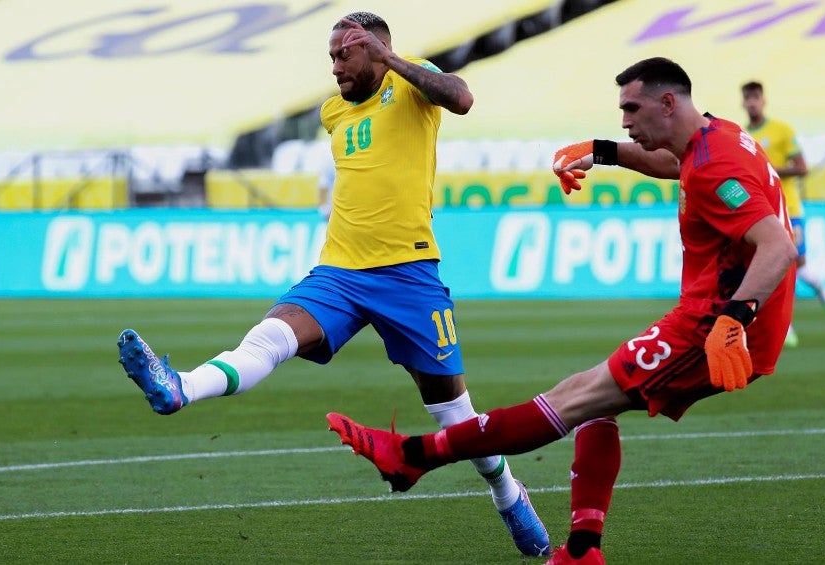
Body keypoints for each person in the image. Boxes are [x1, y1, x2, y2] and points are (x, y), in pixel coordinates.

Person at [326, 57, 798, 565]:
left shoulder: (714, 165)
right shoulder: (715, 136)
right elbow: (677, 165)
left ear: (668, 102)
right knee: (596, 405)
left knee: (572, 399)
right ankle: (582, 549)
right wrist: (601, 152)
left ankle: (412, 457)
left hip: (713, 329)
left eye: (631, 108)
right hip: (714, 317)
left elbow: (778, 246)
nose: (624, 121)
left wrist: (733, 321)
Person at [116, 11, 551, 557]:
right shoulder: (332, 112)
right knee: (268, 339)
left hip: (408, 275)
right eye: (331, 58)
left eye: (344, 55)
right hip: (339, 271)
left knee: (453, 414)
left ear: (373, 50)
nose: (335, 68)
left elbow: (462, 99)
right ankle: (181, 387)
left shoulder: (412, 82)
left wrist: (392, 58)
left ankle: (509, 495)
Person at [741, 80, 825, 346]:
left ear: (763, 100)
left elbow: (802, 167)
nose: (752, 102)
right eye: (747, 98)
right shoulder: (742, 136)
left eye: (755, 97)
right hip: (762, 212)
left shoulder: (781, 130)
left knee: (797, 265)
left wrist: (771, 170)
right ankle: (785, 329)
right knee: (771, 268)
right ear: (743, 103)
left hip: (789, 209)